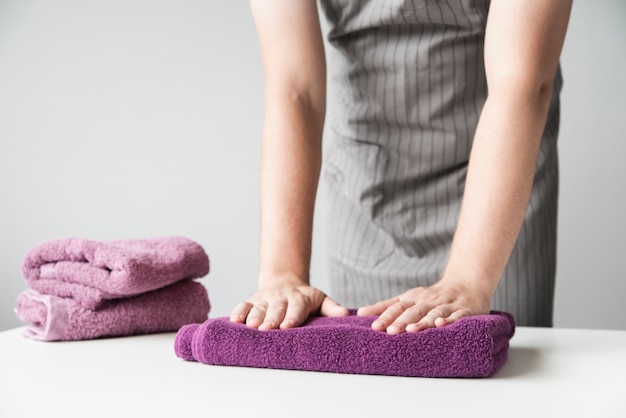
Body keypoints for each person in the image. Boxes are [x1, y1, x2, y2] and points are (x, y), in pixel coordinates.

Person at [230, 0, 573, 334]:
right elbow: (295, 91)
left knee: (500, 373)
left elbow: (520, 79)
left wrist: (469, 280)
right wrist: (283, 275)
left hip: (494, 200)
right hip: (366, 199)